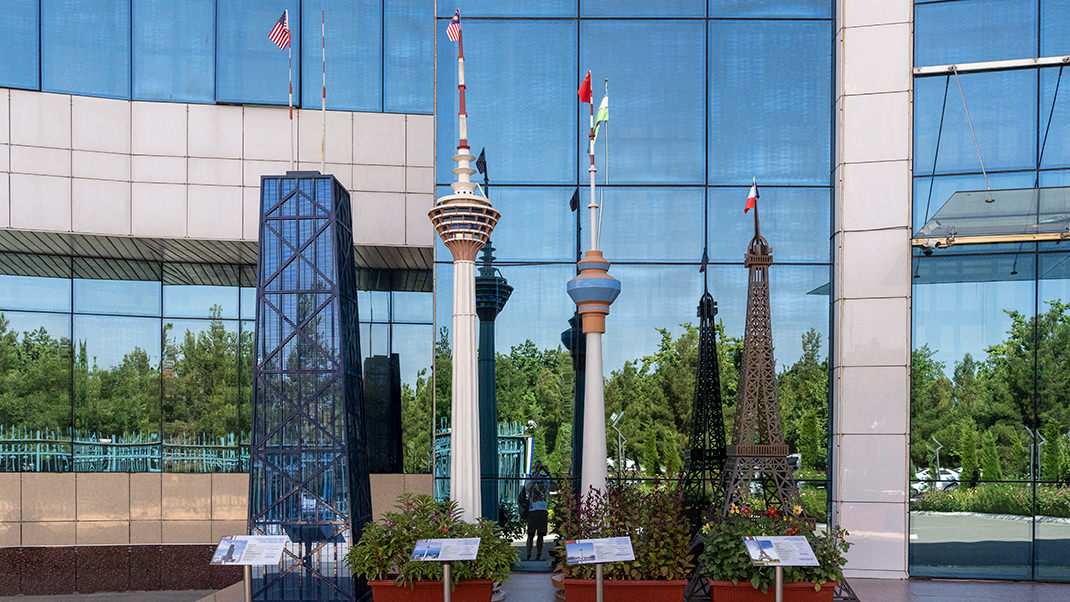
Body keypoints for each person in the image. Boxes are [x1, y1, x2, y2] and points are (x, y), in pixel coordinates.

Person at [524, 461, 551, 560]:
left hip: (543, 509)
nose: (538, 468)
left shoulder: (544, 477)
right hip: (532, 509)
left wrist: (548, 473)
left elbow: (552, 487)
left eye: (540, 467)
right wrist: (535, 475)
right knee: (530, 534)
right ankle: (528, 554)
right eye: (537, 467)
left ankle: (539, 554)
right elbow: (528, 488)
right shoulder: (530, 477)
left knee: (541, 534)